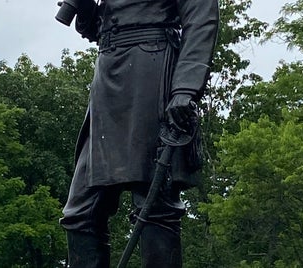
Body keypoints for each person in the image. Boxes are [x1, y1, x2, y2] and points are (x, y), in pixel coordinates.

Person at [55, 0, 219, 267]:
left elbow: (201, 19)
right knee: (80, 213)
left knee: (155, 205)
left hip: (151, 70)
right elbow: (95, 28)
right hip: (108, 77)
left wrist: (185, 88)